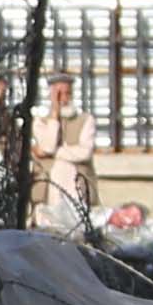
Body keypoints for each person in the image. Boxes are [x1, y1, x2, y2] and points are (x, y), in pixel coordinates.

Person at [31, 70, 102, 239]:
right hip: (48, 188)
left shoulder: (85, 119)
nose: (63, 98)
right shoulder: (41, 121)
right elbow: (47, 145)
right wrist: (54, 115)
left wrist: (55, 152)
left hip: (77, 186)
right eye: (58, 94)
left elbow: (83, 152)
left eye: (66, 93)